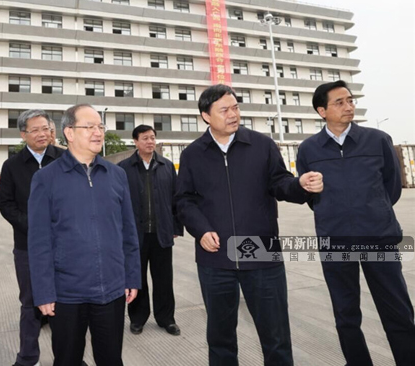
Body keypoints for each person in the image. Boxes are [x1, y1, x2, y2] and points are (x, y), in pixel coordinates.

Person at [176, 84, 323, 365]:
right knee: (220, 339)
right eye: (224, 110)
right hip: (215, 258)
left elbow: (280, 183)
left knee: (276, 337)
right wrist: (201, 229)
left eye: (235, 107)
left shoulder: (262, 145)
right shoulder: (193, 154)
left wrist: (299, 185)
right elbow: (184, 200)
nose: (233, 114)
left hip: (262, 252)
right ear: (206, 116)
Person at [297, 80, 415, 365]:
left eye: (350, 100)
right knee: (346, 315)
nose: (348, 106)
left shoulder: (378, 140)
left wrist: (375, 210)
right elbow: (309, 193)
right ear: (322, 111)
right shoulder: (309, 149)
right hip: (335, 242)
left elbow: (392, 186)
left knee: (398, 312)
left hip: (379, 239)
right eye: (339, 102)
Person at [28, 104, 141, 366]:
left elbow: (128, 231)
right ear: (69, 132)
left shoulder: (116, 175)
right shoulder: (46, 178)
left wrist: (132, 276)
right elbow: (39, 241)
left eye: (100, 126)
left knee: (111, 359)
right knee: (67, 359)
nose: (98, 132)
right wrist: (43, 292)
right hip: (67, 293)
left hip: (111, 290)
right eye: (89, 127)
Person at [0, 110, 65, 366]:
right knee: (30, 303)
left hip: (64, 245)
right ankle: (27, 357)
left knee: (65, 304)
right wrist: (33, 227)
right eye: (34, 130)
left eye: (45, 128)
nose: (41, 134)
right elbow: (5, 204)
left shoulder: (65, 159)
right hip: (27, 246)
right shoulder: (12, 165)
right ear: (23, 134)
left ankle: (67, 357)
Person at [118, 124, 183, 336]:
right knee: (137, 279)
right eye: (145, 138)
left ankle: (167, 319)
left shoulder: (166, 166)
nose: (150, 141)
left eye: (153, 137)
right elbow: (117, 203)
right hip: (134, 235)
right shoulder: (123, 168)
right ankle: (137, 319)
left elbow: (176, 199)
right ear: (135, 141)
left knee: (164, 279)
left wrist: (175, 226)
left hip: (161, 233)